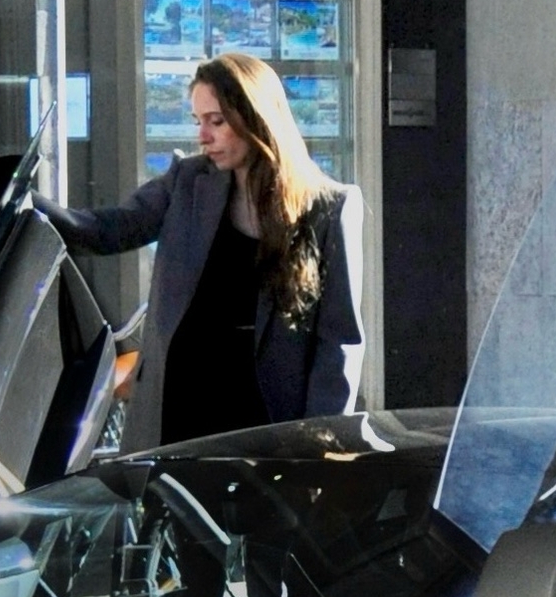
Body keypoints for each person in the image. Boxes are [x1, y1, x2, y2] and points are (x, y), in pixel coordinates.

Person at [40, 52, 360, 454]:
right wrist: (26, 204)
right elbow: (112, 229)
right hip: (179, 411)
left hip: (265, 423)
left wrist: (321, 446)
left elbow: (339, 342)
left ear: (255, 118)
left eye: (217, 121)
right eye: (198, 121)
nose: (203, 136)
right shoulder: (187, 181)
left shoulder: (328, 207)